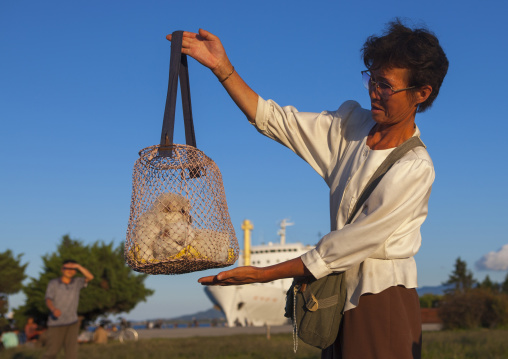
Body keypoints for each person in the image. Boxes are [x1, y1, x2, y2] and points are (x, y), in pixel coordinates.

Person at [168, 18, 448, 359]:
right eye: (371, 79)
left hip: (379, 297)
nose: (374, 91)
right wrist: (222, 68)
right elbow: (277, 121)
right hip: (334, 295)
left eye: (386, 85)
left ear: (422, 93)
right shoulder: (352, 127)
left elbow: (344, 246)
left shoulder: (414, 168)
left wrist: (262, 274)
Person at [43, 260, 94, 359]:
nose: (69, 270)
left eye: (72, 269)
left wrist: (78, 266)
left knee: (71, 353)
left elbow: (90, 277)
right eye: (67, 268)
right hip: (56, 323)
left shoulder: (77, 282)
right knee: (52, 352)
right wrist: (53, 309)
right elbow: (48, 299)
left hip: (72, 322)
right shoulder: (53, 283)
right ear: (62, 269)